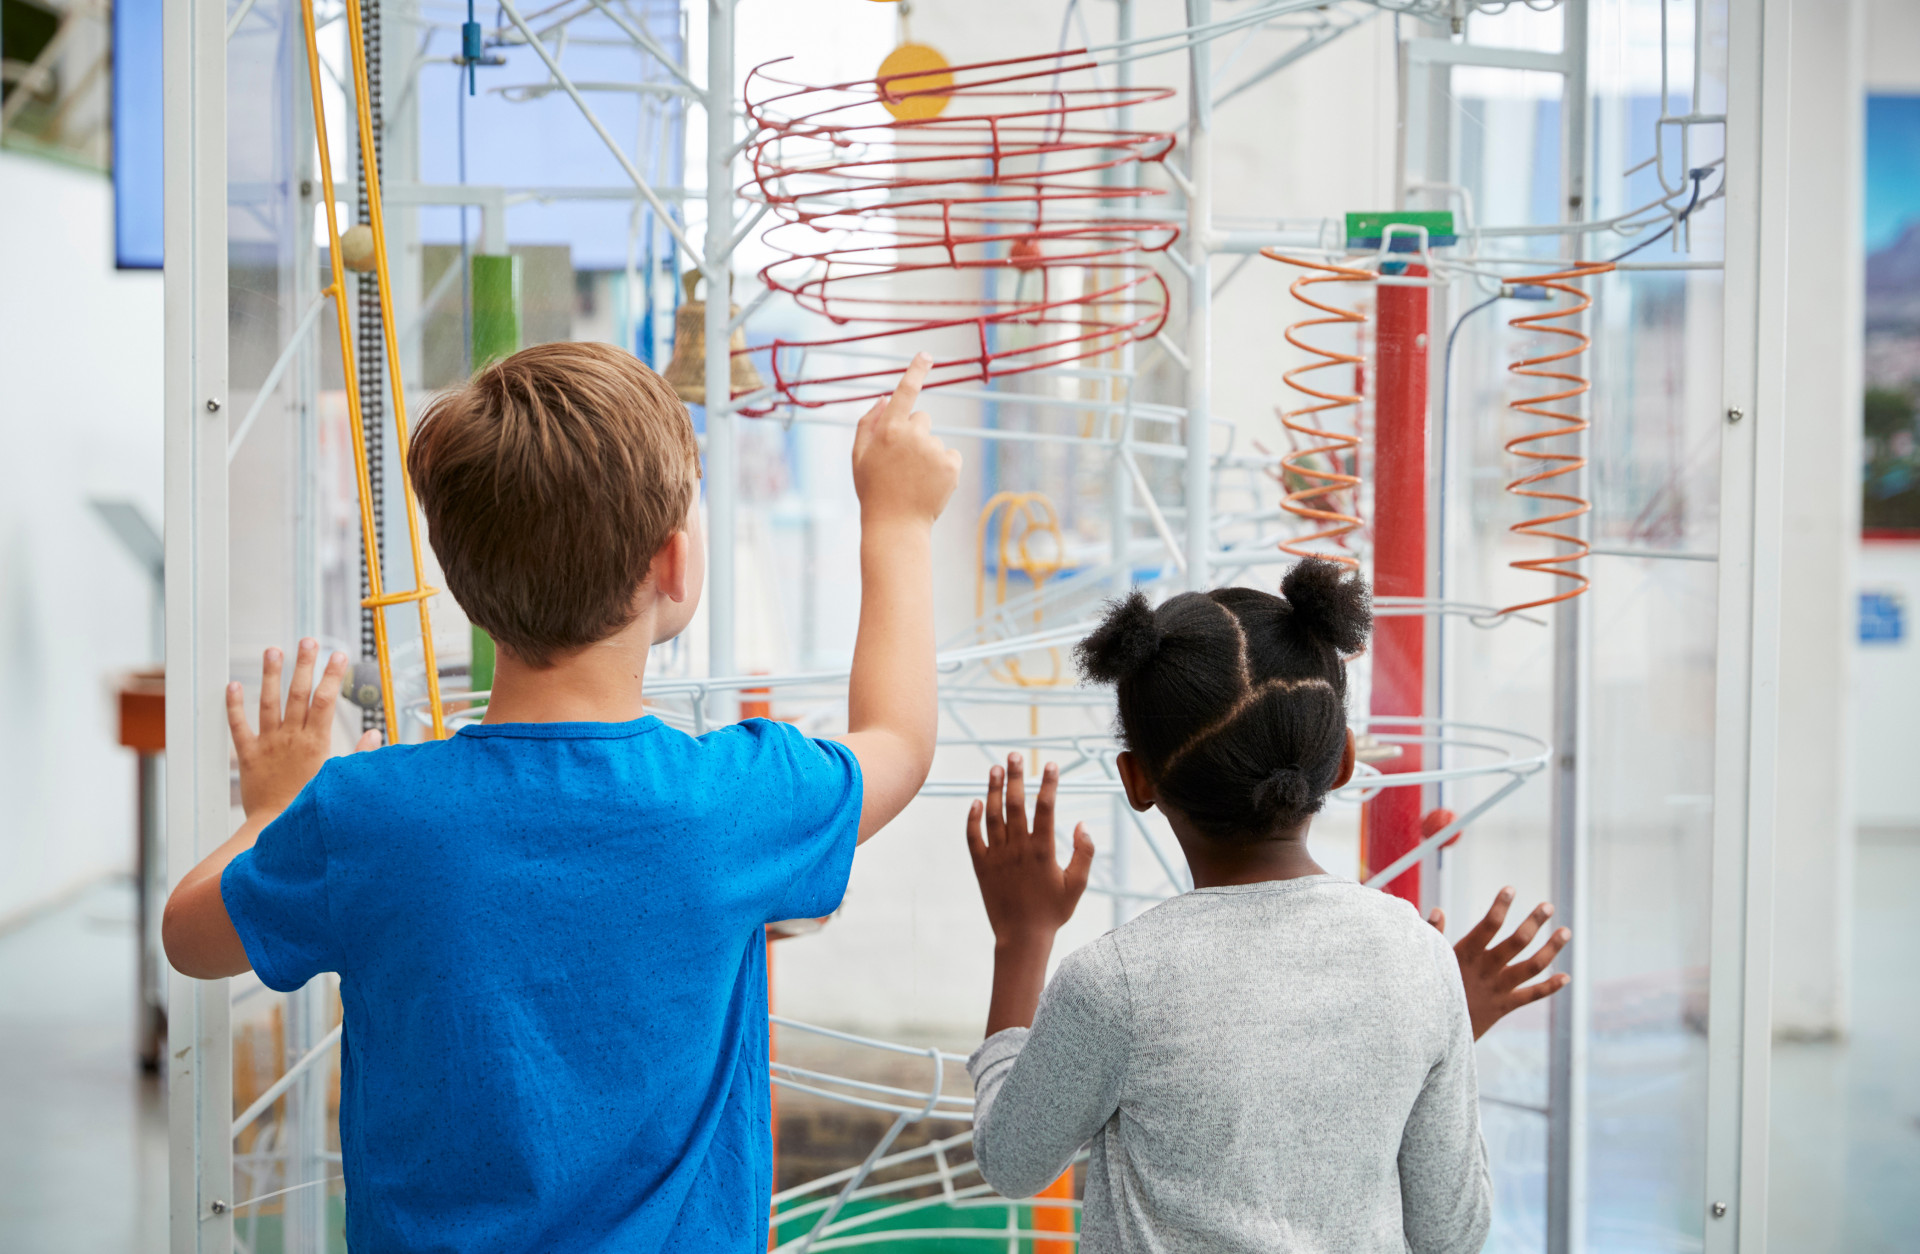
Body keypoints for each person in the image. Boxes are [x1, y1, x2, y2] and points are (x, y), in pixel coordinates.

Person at [162, 345, 961, 1252]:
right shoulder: (730, 804)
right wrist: (896, 522)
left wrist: (273, 806)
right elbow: (898, 740)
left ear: (461, 574)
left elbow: (189, 937)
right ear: (672, 564)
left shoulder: (367, 815)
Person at [964, 560, 1571, 1254]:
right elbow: (1451, 1234)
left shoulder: (1116, 985)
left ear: (1136, 780)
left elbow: (1011, 1163)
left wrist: (1021, 938)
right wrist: (1445, 1028)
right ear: (1342, 761)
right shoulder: (1421, 965)